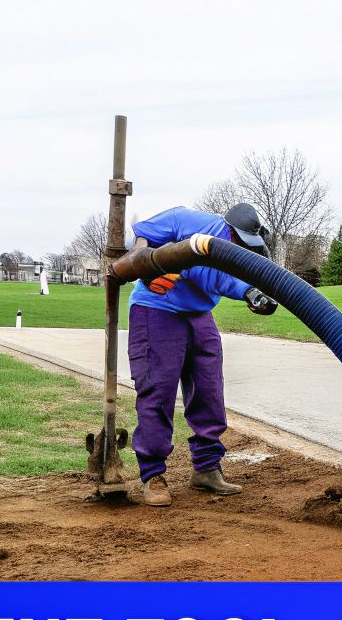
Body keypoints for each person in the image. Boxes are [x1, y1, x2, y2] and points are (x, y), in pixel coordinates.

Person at [118, 202, 278, 507]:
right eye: (239, 242)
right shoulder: (185, 221)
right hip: (157, 308)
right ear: (229, 230)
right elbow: (141, 241)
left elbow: (226, 277)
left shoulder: (238, 245)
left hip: (199, 314)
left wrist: (256, 292)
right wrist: (146, 267)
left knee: (209, 392)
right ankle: (153, 475)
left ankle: (206, 468)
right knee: (157, 392)